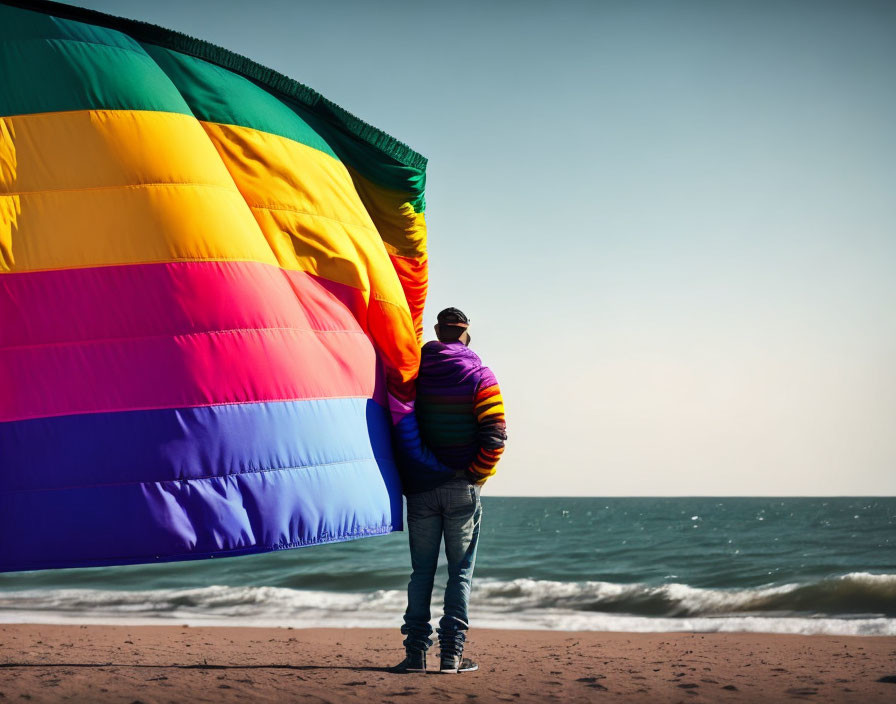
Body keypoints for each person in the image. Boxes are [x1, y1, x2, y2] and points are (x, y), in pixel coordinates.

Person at [393, 307, 507, 674]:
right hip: (461, 488)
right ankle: (451, 656)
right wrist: (476, 475)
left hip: (421, 488)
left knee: (421, 573)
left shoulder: (414, 373)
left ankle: (414, 656)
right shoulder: (480, 375)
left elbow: (397, 418)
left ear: (438, 332)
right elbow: (495, 434)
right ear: (465, 334)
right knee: (459, 573)